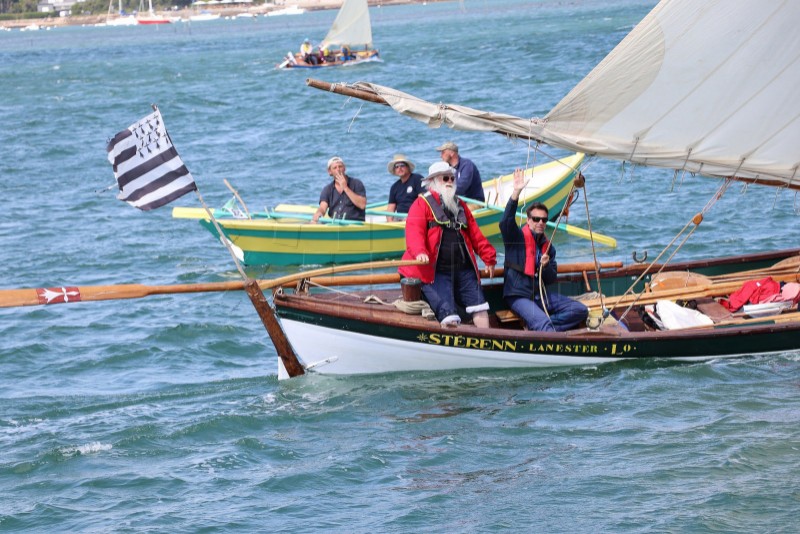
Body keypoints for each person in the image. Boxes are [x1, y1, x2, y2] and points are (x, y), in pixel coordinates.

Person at [399, 161, 497, 327]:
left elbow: (475, 234)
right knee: (448, 314)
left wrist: (489, 258)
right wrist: (420, 252)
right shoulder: (421, 204)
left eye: (452, 178)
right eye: (446, 178)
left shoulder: (460, 205)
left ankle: (486, 341)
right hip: (436, 271)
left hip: (463, 268)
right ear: (434, 181)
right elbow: (414, 232)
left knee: (479, 305)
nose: (450, 181)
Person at [499, 168, 588, 331]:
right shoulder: (515, 238)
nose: (540, 222)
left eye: (544, 220)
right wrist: (516, 194)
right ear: (528, 220)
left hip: (540, 296)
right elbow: (505, 221)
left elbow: (550, 279)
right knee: (544, 324)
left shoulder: (548, 248)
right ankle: (543, 327)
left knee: (580, 310)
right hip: (518, 295)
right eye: (536, 219)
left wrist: (545, 266)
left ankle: (541, 326)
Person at [312, 157, 367, 223]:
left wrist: (345, 188)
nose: (338, 169)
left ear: (344, 168)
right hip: (334, 224)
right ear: (330, 172)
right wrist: (318, 214)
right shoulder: (327, 189)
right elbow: (322, 207)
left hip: (354, 224)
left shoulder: (357, 183)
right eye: (335, 168)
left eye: (340, 166)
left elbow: (362, 205)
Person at [385, 154, 425, 220]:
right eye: (396, 166)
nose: (399, 168)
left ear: (408, 167)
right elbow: (390, 209)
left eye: (402, 165)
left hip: (415, 217)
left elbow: (422, 200)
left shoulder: (417, 179)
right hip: (400, 217)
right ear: (394, 170)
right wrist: (390, 222)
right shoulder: (394, 187)